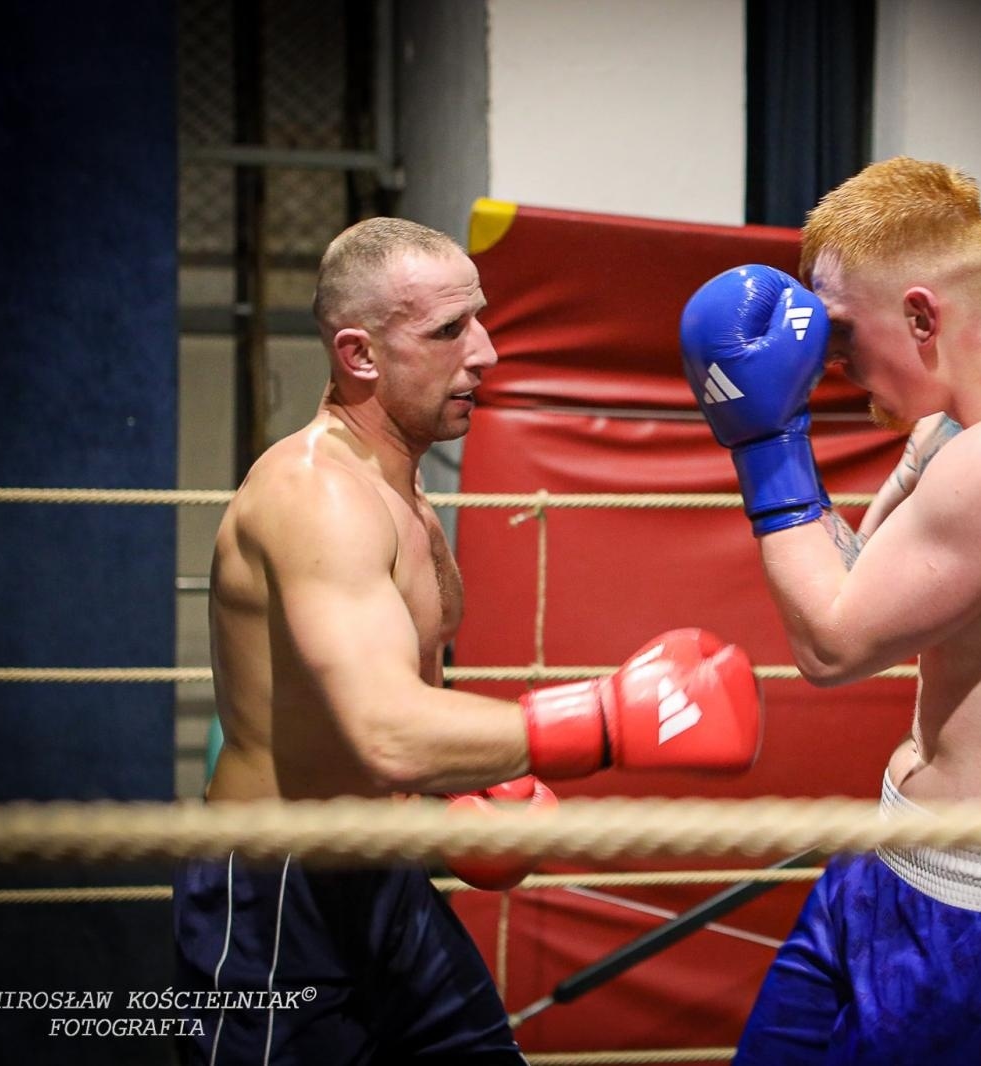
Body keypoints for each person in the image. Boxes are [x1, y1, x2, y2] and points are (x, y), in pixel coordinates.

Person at [175, 217, 764, 1065]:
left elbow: (392, 704)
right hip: (281, 899)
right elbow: (386, 732)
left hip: (386, 875)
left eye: (479, 319)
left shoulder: (403, 493)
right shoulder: (319, 498)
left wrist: (466, 793)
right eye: (449, 330)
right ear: (360, 354)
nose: (484, 352)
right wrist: (607, 719)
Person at [679, 158, 981, 1064]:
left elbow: (832, 644)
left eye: (845, 335)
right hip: (886, 864)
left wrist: (766, 443)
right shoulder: (957, 433)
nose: (831, 361)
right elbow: (859, 578)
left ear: (924, 315)